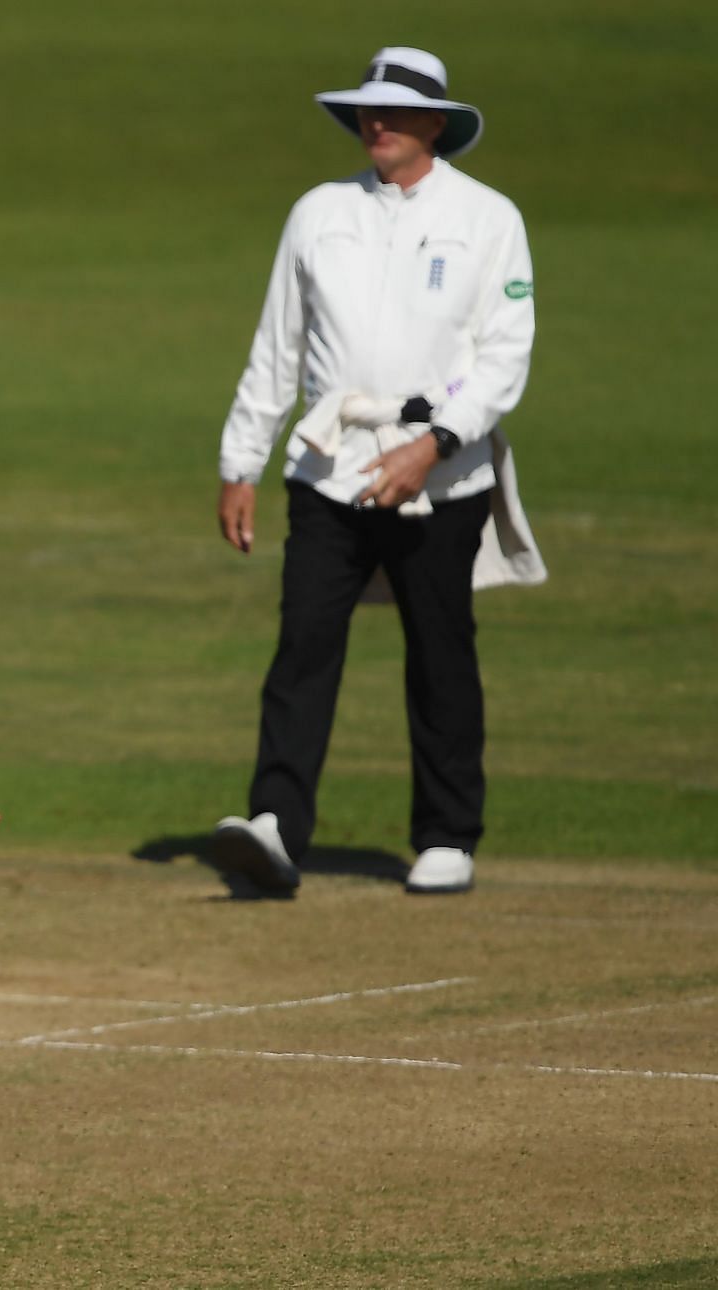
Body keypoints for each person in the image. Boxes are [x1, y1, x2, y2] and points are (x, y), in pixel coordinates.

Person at [211, 47, 536, 897]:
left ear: (434, 123)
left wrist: (434, 444)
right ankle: (276, 826)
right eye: (366, 110)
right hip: (328, 466)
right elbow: (277, 346)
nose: (375, 123)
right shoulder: (319, 213)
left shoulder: (488, 217)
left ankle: (446, 834)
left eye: (392, 112)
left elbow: (504, 356)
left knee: (440, 652)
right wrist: (240, 459)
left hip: (443, 473)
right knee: (303, 648)